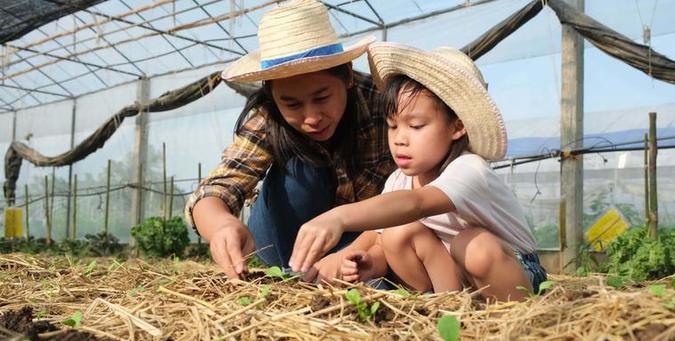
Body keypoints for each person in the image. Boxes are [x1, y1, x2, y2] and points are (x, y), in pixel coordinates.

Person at [290, 43, 547, 301]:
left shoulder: (470, 169)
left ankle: (513, 313)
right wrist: (350, 257)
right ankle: (447, 309)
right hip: (457, 278)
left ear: (457, 127)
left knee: (474, 245)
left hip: (514, 271)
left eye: (416, 125)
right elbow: (377, 234)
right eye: (392, 126)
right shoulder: (400, 179)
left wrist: (339, 217)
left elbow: (417, 203)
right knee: (396, 233)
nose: (399, 139)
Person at [185, 0, 394, 278]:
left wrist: (358, 248)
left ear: (347, 76)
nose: (311, 118)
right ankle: (292, 274)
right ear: (273, 98)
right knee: (301, 170)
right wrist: (222, 226)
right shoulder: (267, 117)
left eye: (322, 98)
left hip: (365, 236)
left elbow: (415, 189)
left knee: (376, 273)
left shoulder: (385, 105)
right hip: (285, 235)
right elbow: (220, 186)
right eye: (292, 105)